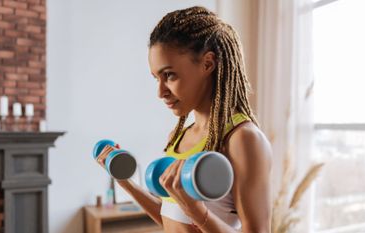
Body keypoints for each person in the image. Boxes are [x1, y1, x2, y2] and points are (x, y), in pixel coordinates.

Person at [116, 6, 272, 233]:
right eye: (156, 78)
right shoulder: (179, 136)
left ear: (208, 64)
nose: (160, 92)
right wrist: (127, 184)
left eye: (169, 75)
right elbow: (174, 219)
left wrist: (198, 213)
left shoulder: (242, 139)